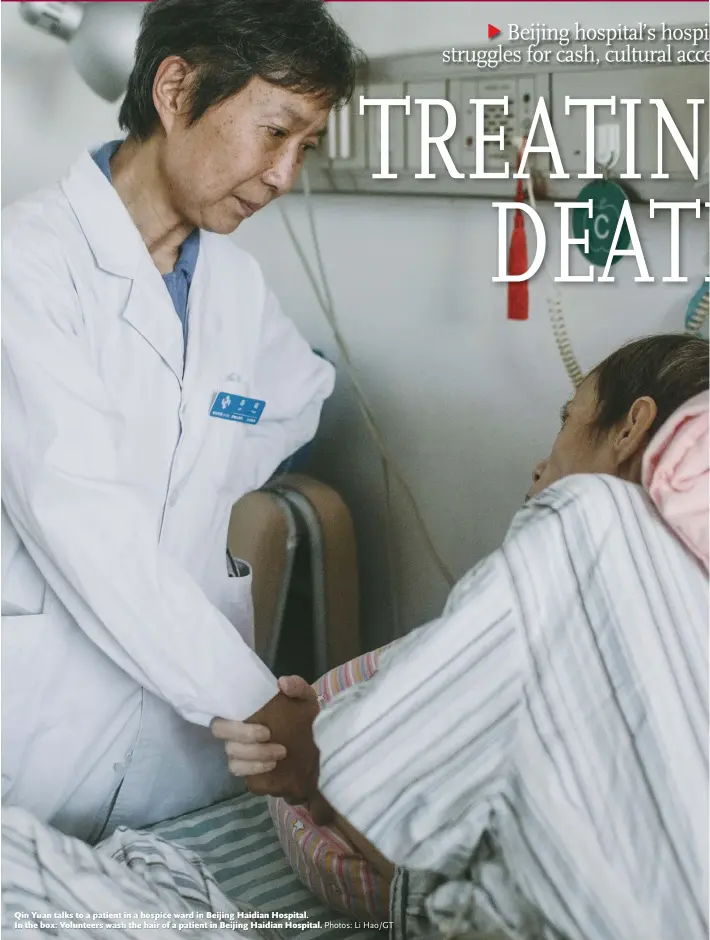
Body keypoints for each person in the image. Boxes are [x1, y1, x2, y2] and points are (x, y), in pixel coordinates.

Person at [1, 0, 361, 843]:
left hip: (182, 756)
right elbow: (82, 517)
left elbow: (300, 393)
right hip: (40, 730)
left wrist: (204, 459)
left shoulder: (235, 286)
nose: (285, 176)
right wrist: (259, 706)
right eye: (277, 132)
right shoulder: (25, 265)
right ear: (176, 87)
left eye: (305, 147)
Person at [227, 334, 708, 940]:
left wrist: (306, 752)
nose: (541, 462)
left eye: (568, 417)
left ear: (632, 425)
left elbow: (376, 781)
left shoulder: (590, 514)